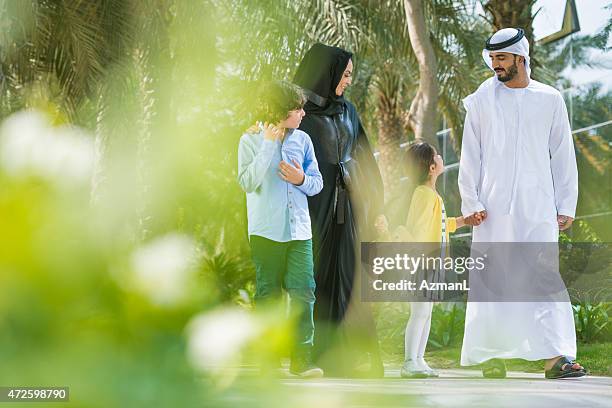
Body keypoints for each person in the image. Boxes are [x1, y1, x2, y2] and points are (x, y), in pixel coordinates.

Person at [458, 28, 586, 379]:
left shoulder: (550, 98)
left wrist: (566, 205)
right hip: (492, 209)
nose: (495, 65)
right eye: (492, 59)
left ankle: (556, 358)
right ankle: (490, 355)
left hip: (539, 205)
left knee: (544, 276)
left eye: (501, 58)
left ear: (520, 57)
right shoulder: (482, 100)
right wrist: (471, 200)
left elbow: (563, 155)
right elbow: (471, 155)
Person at [294, 43, 385, 377]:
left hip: (347, 211)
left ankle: (354, 356)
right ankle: (314, 356)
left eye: (350, 75)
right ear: (327, 72)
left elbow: (364, 155)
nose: (348, 80)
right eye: (345, 74)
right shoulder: (298, 112)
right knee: (314, 280)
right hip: (311, 210)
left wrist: (376, 203)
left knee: (349, 279)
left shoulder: (347, 111)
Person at [237, 80, 324, 378]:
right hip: (265, 232)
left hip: (300, 231)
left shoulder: (304, 141)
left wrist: (301, 179)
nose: (302, 113)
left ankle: (302, 361)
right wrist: (268, 145)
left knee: (303, 293)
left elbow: (317, 183)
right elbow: (247, 183)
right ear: (278, 109)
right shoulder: (249, 140)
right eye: (297, 108)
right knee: (268, 295)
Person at [375, 141, 477, 378]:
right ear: (432, 167)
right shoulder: (423, 195)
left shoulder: (431, 194)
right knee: (419, 312)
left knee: (426, 313)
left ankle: (419, 360)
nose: (441, 158)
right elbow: (418, 230)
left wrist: (463, 221)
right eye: (437, 156)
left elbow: (439, 225)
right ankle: (409, 362)